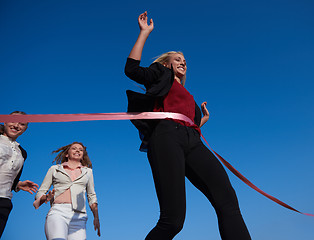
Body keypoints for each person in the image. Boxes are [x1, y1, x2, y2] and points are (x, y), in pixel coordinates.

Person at [124, 11, 251, 240]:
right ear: (167, 63)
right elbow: (131, 70)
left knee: (228, 201)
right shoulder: (160, 74)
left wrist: (202, 120)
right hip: (166, 137)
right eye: (177, 59)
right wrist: (144, 33)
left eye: (184, 60)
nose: (183, 62)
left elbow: (187, 122)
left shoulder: (188, 95)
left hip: (192, 140)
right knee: (173, 221)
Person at [33, 142, 100, 240]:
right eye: (74, 148)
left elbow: (91, 195)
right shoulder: (54, 169)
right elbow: (40, 192)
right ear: (66, 154)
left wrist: (96, 217)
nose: (77, 150)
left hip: (79, 216)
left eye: (81, 150)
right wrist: (46, 197)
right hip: (58, 212)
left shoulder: (88, 172)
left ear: (83, 156)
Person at [0, 111, 39, 238]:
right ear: (4, 121)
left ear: (25, 129)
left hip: (3, 202)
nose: (16, 125)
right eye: (13, 120)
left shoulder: (22, 153)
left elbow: (10, 176)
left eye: (22, 124)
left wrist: (17, 184)